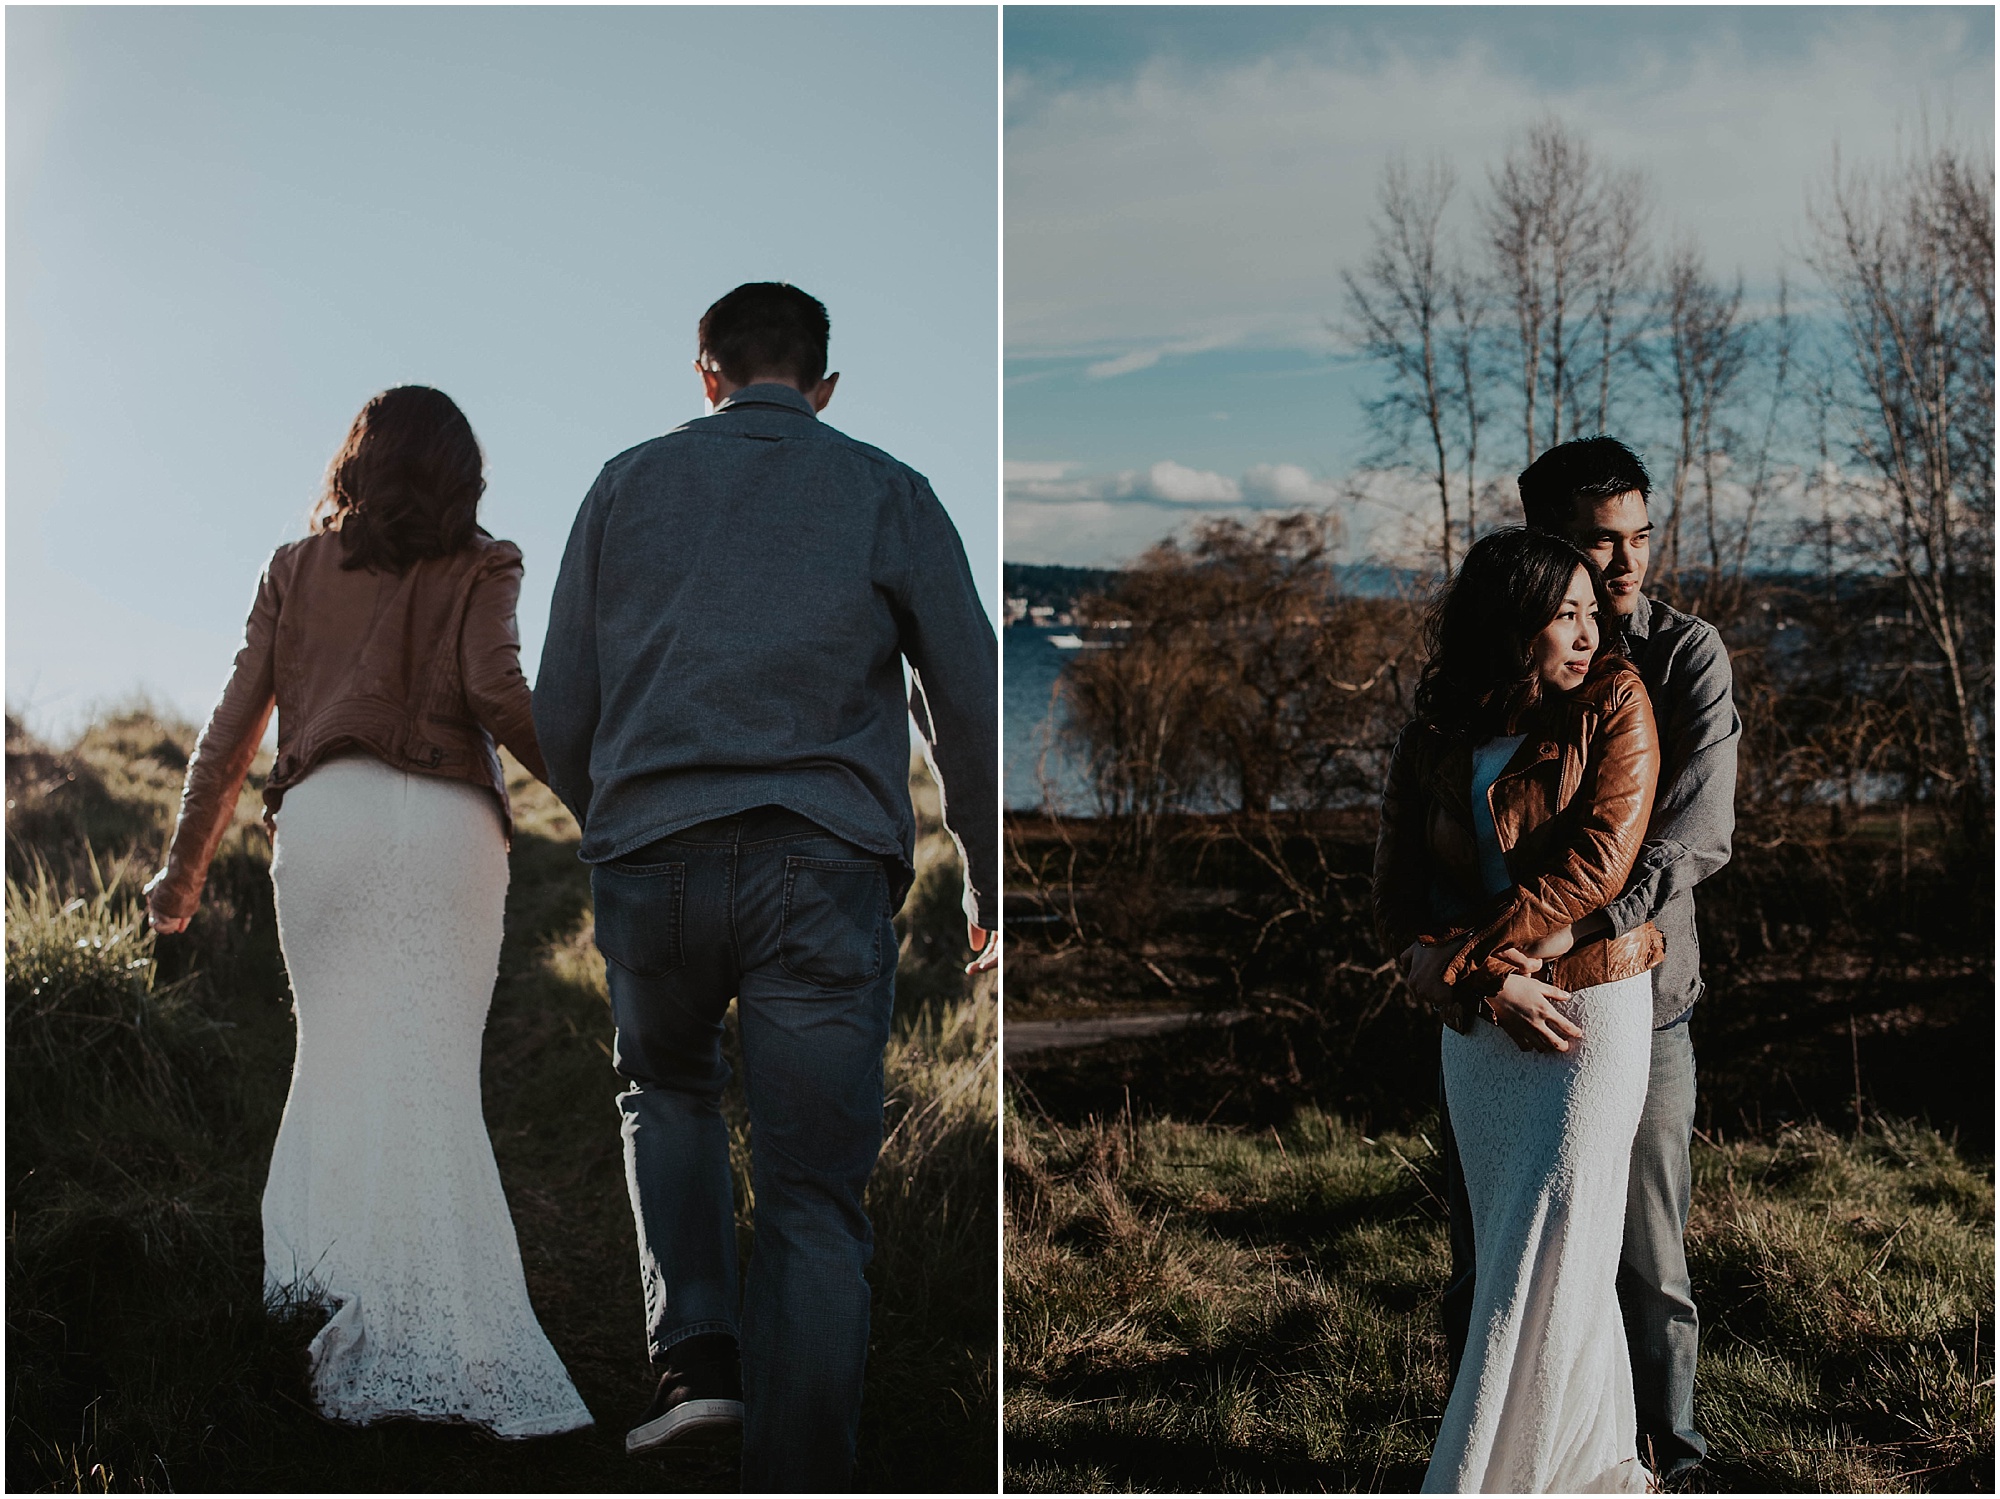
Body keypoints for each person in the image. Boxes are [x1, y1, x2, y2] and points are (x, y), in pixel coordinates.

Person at [533, 281, 998, 1490]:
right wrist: (986, 874)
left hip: (652, 860)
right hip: (821, 867)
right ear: (822, 383)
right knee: (811, 1189)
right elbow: (968, 701)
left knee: (667, 1089)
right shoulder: (887, 488)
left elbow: (560, 707)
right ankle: (800, 1464)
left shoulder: (624, 484)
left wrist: (619, 824)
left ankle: (696, 1364)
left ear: (705, 373)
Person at [144, 387, 593, 1437]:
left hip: (326, 823)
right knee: (433, 1077)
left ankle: (325, 1310)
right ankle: (449, 1340)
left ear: (356, 460)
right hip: (449, 832)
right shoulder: (485, 560)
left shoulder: (294, 568)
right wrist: (599, 796)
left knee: (335, 1060)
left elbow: (229, 729)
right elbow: (496, 689)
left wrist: (183, 869)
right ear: (461, 475)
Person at [1421, 437, 1735, 1479]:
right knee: (1493, 1255)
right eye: (1600, 543)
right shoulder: (1480, 673)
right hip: (1491, 1002)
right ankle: (1501, 1451)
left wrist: (1573, 938)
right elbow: (1429, 851)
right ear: (1543, 543)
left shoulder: (1677, 658)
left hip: (1633, 998)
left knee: (1644, 1260)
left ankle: (1668, 1457)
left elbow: (1681, 838)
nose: (1628, 564)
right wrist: (1475, 970)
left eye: (1640, 538)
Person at [1373, 527, 1664, 1492]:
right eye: (1566, 614)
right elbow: (1395, 896)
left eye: (1594, 611)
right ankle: (1591, 1468)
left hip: (1589, 1011)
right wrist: (1487, 983)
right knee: (1513, 1246)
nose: (1591, 632)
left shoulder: (1617, 702)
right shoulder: (1432, 737)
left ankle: (1491, 1476)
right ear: (1510, 622)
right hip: (1483, 1025)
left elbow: (1596, 865)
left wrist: (1457, 959)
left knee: (1557, 1246)